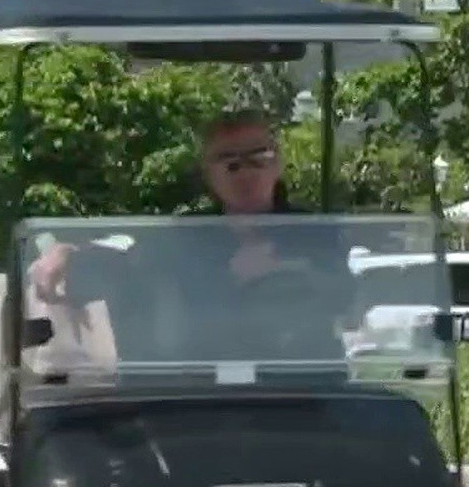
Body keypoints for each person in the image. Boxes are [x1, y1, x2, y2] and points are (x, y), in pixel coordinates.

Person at [23, 109, 353, 362]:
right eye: (230, 163)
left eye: (259, 158)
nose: (247, 173)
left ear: (278, 165)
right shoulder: (183, 237)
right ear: (208, 174)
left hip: (303, 391)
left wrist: (292, 272)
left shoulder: (314, 232)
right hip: (202, 394)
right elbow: (124, 265)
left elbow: (346, 298)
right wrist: (67, 255)